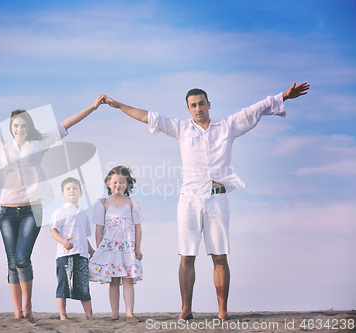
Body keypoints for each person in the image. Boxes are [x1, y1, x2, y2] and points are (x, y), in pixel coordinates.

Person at [103, 82, 310, 321]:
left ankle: (222, 311)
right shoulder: (181, 128)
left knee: (220, 256)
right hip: (189, 199)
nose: (198, 108)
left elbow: (256, 109)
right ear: (188, 109)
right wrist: (117, 105)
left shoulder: (227, 126)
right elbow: (147, 116)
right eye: (193, 105)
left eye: (202, 103)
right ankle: (186, 309)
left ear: (208, 105)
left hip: (217, 199)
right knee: (186, 256)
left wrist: (284, 96)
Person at [0, 95, 105, 320]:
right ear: (11, 128)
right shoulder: (2, 146)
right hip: (6, 211)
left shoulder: (39, 144)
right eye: (15, 125)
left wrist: (93, 107)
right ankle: (17, 311)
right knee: (12, 263)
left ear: (28, 127)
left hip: (31, 210)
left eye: (23, 125)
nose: (19, 128)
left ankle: (28, 307)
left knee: (23, 258)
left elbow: (66, 124)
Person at [89, 165, 143, 322]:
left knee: (127, 278)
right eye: (115, 182)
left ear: (127, 185)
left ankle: (129, 313)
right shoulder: (103, 203)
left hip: (128, 247)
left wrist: (138, 248)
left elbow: (138, 227)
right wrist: (100, 249)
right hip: (110, 248)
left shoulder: (132, 202)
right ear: (108, 183)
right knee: (113, 280)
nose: (118, 185)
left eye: (122, 182)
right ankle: (115, 314)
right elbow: (99, 229)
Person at [49, 177, 95, 320]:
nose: (72, 191)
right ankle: (63, 315)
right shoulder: (60, 212)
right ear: (62, 194)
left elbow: (83, 236)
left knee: (83, 285)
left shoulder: (83, 213)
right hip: (65, 255)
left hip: (82, 255)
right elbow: (53, 231)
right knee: (64, 284)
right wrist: (63, 241)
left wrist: (91, 250)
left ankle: (89, 315)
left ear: (81, 193)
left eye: (75, 188)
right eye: (68, 188)